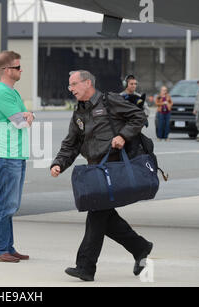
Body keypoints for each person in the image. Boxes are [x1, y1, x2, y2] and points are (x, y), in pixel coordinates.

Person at [50, 70, 153, 281]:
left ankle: (86, 267)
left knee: (97, 215)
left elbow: (138, 116)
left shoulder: (109, 101)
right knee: (105, 218)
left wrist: (123, 136)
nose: (71, 89)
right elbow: (71, 143)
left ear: (88, 83)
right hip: (96, 170)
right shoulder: (79, 112)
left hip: (114, 168)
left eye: (74, 84)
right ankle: (140, 247)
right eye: (70, 85)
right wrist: (59, 163)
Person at [0, 51, 34, 263]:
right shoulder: (2, 93)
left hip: (15, 154)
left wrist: (27, 115)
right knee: (6, 203)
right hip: (5, 155)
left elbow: (27, 115)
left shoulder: (12, 92)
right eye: (17, 67)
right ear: (6, 70)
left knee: (11, 204)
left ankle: (7, 246)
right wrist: (26, 116)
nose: (20, 70)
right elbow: (21, 120)